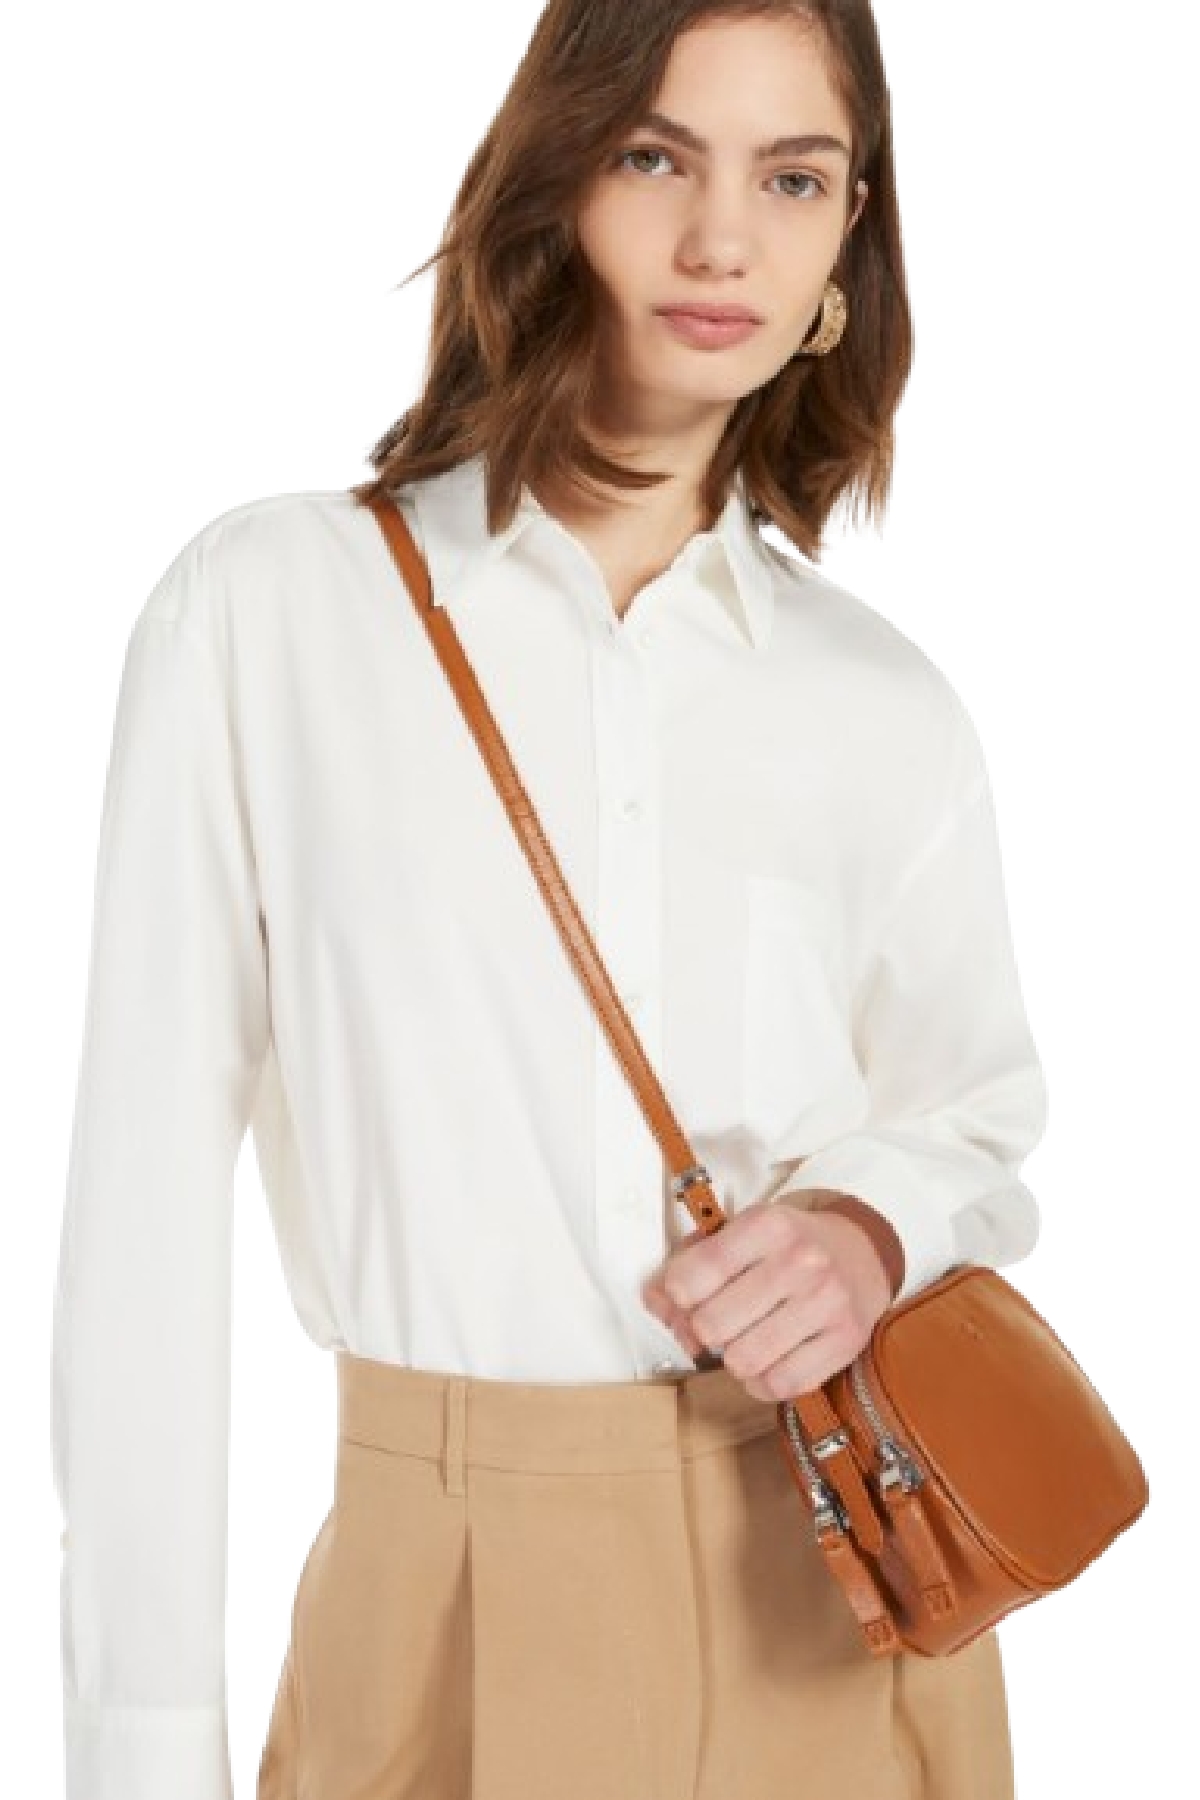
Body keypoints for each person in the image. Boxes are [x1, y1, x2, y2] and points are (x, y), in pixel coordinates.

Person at [50, 3, 1049, 1797]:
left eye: (793, 177)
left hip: (837, 1597)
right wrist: (140, 1755)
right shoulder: (273, 613)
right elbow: (142, 1224)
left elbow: (972, 1121)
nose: (722, 238)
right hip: (443, 1593)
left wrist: (865, 1229)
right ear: (555, 175)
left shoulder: (880, 703)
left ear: (849, 232)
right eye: (657, 154)